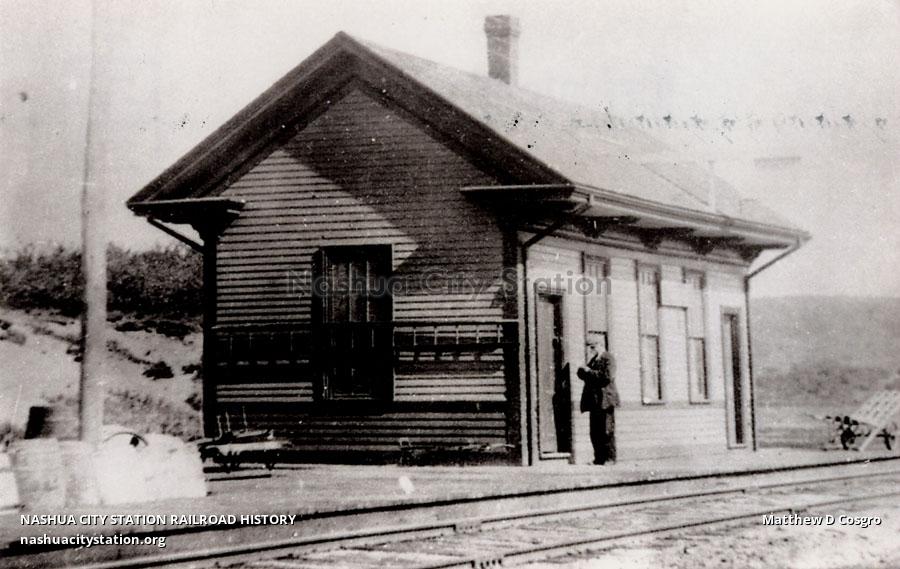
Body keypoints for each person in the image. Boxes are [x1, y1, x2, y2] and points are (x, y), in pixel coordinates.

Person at [576, 334, 620, 465]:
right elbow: (587, 375)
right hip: (595, 401)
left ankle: (609, 458)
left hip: (605, 400)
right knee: (595, 431)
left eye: (593, 347)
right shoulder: (594, 359)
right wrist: (582, 371)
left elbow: (607, 377)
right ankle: (599, 458)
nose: (591, 350)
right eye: (590, 348)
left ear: (600, 345)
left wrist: (588, 372)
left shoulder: (608, 358)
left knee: (606, 430)